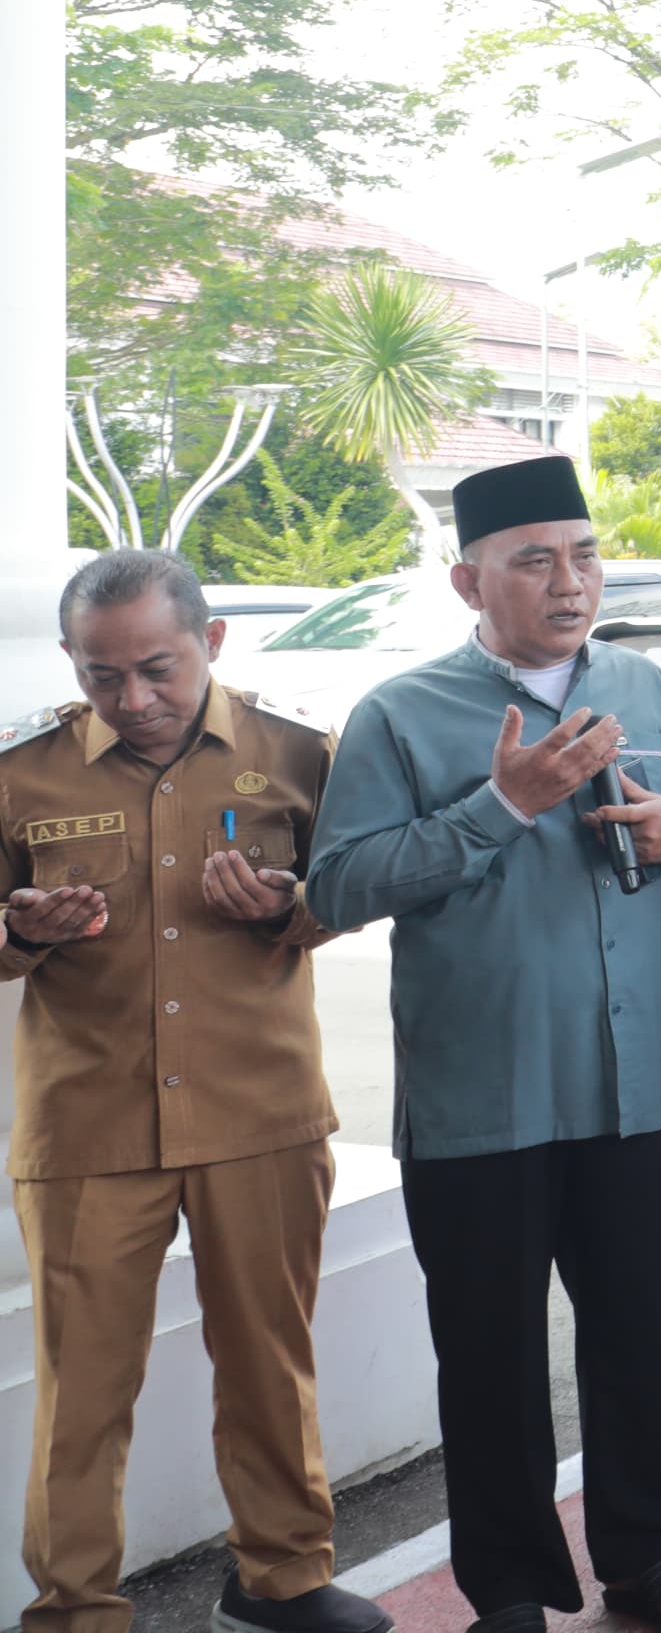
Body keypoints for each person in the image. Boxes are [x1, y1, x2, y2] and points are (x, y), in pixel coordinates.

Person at [308, 455, 661, 1633]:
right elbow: (339, 885)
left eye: (585, 553)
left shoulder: (646, 691)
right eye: (535, 558)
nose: (570, 580)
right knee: (491, 1355)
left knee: (640, 1328)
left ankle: (656, 1558)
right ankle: (507, 1587)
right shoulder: (401, 712)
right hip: (481, 1094)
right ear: (469, 578)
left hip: (640, 1081)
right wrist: (497, 806)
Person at [0, 551, 393, 1633]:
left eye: (157, 667)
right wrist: (15, 931)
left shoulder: (300, 752)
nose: (132, 699)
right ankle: (75, 1606)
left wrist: (290, 905)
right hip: (87, 1123)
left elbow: (355, 891)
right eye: (101, 675)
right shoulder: (20, 769)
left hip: (257, 1114)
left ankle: (283, 1579)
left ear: (211, 643)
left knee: (269, 1361)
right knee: (82, 1391)